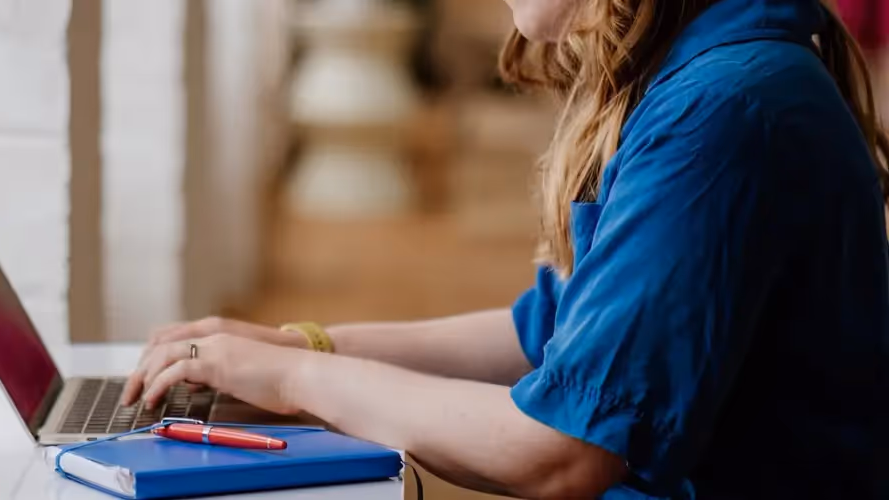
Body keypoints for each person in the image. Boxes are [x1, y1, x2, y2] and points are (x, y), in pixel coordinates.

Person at [122, 0, 889, 497]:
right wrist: (298, 346)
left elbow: (562, 452)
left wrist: (296, 377)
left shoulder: (720, 112)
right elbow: (546, 334)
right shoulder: (702, 75)